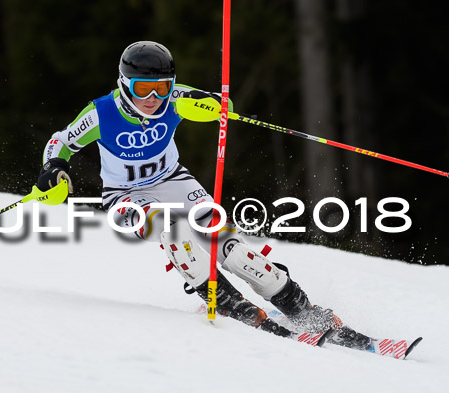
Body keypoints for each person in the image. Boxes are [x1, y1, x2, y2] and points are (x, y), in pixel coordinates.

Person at [36, 40, 340, 339]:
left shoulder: (176, 100)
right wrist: (53, 168)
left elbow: (223, 106)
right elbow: (60, 143)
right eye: (143, 88)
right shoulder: (101, 113)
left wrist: (216, 107)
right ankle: (227, 302)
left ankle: (299, 307)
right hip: (124, 195)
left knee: (229, 247)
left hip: (174, 181)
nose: (154, 97)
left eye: (163, 87)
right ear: (125, 84)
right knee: (173, 231)